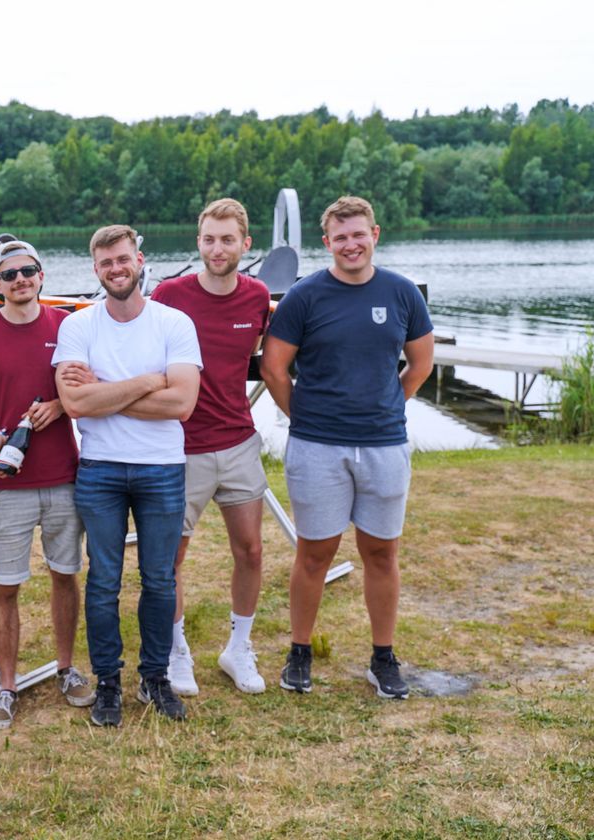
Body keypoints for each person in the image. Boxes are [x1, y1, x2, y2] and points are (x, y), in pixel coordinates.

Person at [260, 195, 434, 700]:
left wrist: (389, 404)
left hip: (383, 444)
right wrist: (307, 417)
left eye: (359, 234)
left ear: (374, 235)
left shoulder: (401, 293)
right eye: (341, 237)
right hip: (318, 447)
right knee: (314, 554)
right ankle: (299, 652)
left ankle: (383, 657)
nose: (351, 244)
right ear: (327, 243)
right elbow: (274, 367)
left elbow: (419, 363)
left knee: (381, 552)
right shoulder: (305, 296)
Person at [53, 224, 202, 725]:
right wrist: (146, 382)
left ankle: (155, 678)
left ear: (139, 260)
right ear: (95, 270)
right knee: (103, 581)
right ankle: (108, 684)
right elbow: (74, 403)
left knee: (160, 579)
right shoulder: (79, 326)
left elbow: (182, 404)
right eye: (105, 263)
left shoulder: (174, 323)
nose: (116, 269)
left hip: (163, 469)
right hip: (101, 471)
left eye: (123, 259)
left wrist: (107, 391)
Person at [0, 238, 94, 731]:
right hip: (7, 481)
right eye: (9, 274)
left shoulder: (69, 325)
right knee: (6, 586)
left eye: (28, 271)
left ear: (42, 276)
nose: (20, 280)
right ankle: (7, 687)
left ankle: (66, 669)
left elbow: (86, 384)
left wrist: (59, 406)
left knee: (65, 574)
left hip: (64, 475)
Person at [150, 198, 271, 696]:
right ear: (197, 242)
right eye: (208, 239)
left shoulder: (258, 296)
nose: (216, 249)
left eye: (227, 240)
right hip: (182, 448)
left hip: (239, 441)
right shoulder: (170, 295)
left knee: (251, 549)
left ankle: (238, 648)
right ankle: (178, 653)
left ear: (245, 244)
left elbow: (273, 349)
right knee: (172, 558)